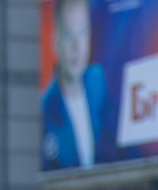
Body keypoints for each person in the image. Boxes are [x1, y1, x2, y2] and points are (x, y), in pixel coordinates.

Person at [40, 0, 112, 170]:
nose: (77, 46)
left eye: (83, 33)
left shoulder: (98, 82)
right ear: (56, 43)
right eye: (68, 36)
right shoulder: (44, 111)